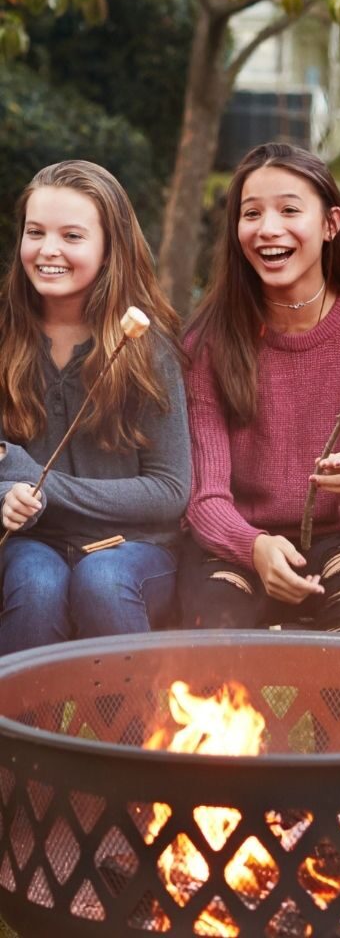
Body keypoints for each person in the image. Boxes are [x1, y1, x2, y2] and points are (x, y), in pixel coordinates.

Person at [180, 143, 340, 632]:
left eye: (289, 210)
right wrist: (254, 547)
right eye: (251, 213)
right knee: (210, 637)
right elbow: (206, 499)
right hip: (239, 544)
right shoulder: (208, 341)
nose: (268, 228)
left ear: (330, 224)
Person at [0, 160, 190, 653]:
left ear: (110, 250)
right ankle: (21, 731)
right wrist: (5, 495)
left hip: (136, 549)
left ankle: (127, 730)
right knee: (36, 583)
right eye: (35, 232)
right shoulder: (4, 340)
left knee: (102, 580)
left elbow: (170, 491)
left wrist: (37, 479)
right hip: (30, 545)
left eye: (72, 236)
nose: (48, 250)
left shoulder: (148, 351)